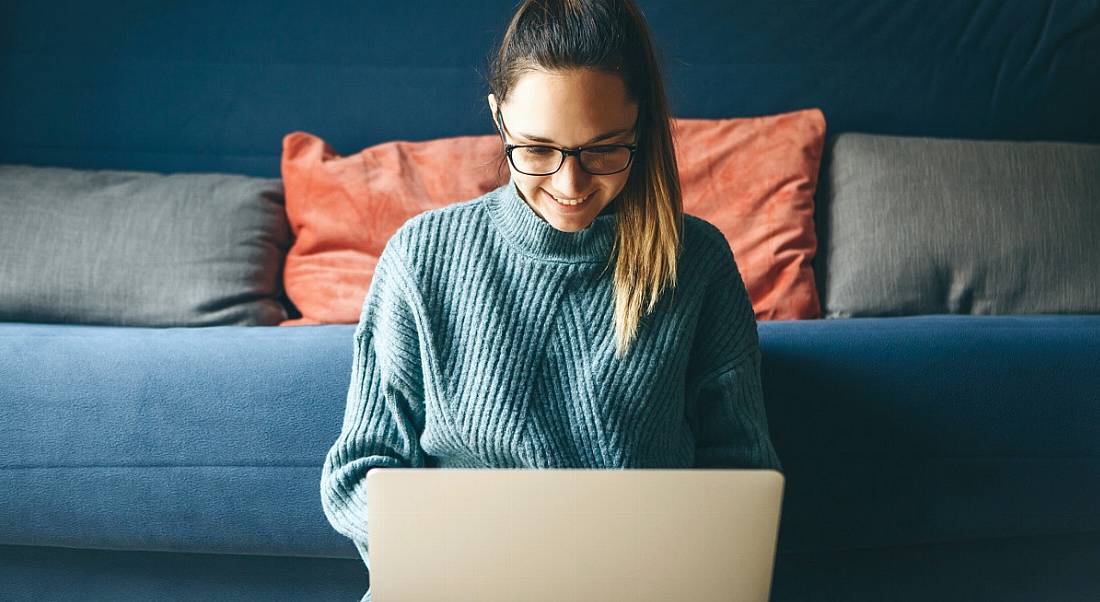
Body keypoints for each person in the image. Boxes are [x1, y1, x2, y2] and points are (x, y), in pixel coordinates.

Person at [320, 1, 782, 599]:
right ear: (499, 119)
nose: (570, 185)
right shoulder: (421, 256)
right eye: (536, 150)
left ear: (640, 127)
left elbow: (741, 469)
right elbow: (357, 472)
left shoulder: (696, 262)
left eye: (604, 149)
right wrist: (450, 564)